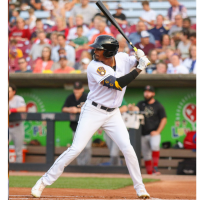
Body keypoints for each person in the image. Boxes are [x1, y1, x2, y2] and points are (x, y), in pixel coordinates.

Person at [31, 35, 151, 199]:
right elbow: (116, 84)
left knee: (128, 149)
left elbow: (137, 61)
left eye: (98, 49)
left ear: (109, 52)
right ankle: (43, 182)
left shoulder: (122, 58)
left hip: (113, 113)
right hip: (93, 111)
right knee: (76, 149)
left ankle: (140, 188)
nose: (94, 51)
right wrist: (139, 68)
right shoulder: (95, 67)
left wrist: (140, 57)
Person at [136, 85, 167, 175]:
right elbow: (136, 109)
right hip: (143, 133)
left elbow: (164, 119)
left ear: (153, 93)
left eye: (149, 92)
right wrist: (131, 108)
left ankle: (155, 168)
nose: (147, 93)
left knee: (155, 146)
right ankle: (150, 174)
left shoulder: (158, 105)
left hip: (154, 133)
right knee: (146, 155)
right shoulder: (141, 104)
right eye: (145, 91)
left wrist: (158, 131)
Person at [62, 81, 90, 165]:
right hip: (75, 127)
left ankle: (86, 167)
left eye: (78, 89)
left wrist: (77, 110)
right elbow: (63, 108)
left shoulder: (87, 97)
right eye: (75, 89)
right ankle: (80, 166)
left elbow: (90, 109)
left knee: (87, 147)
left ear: (82, 89)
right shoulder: (70, 97)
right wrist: (70, 109)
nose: (76, 91)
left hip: (87, 127)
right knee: (77, 148)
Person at [104, 98, 128, 166]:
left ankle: (115, 169)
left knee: (113, 153)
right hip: (107, 128)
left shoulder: (116, 95)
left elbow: (125, 108)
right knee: (112, 152)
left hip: (117, 130)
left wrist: (112, 112)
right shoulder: (102, 97)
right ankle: (117, 167)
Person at [9, 83, 26, 163]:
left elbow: (23, 108)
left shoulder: (18, 99)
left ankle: (18, 171)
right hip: (7, 127)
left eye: (8, 91)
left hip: (17, 126)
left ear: (14, 92)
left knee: (18, 151)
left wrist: (11, 110)